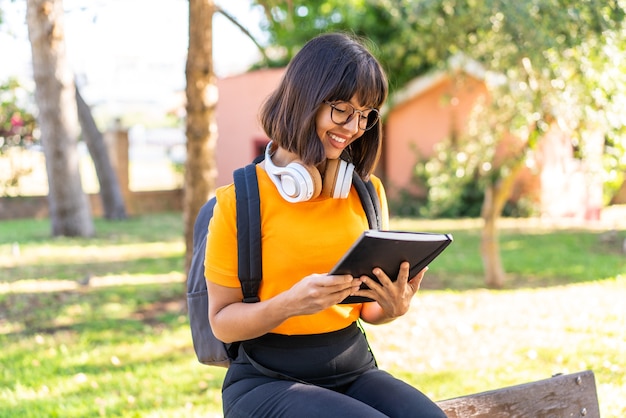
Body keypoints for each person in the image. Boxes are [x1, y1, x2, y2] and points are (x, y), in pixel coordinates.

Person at [205, 32, 446, 418]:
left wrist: (393, 306)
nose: (354, 127)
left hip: (351, 367)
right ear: (307, 99)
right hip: (266, 379)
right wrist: (290, 304)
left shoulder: (367, 193)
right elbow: (222, 324)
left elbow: (368, 312)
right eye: (342, 110)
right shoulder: (238, 201)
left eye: (366, 114)